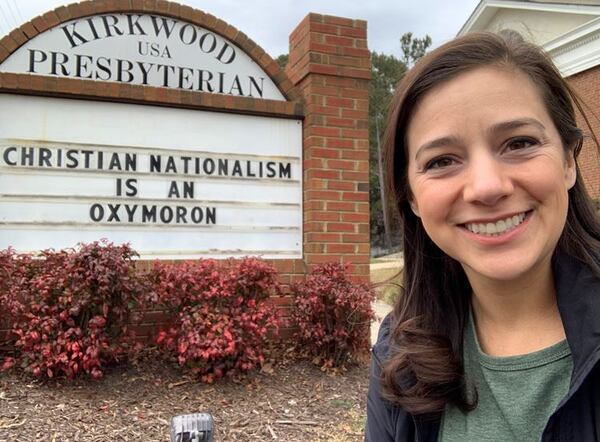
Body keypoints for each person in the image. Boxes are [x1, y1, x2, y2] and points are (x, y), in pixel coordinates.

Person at [365, 30, 600, 442]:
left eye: (519, 143)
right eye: (442, 160)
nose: (487, 187)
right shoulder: (397, 353)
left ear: (567, 161)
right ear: (412, 198)